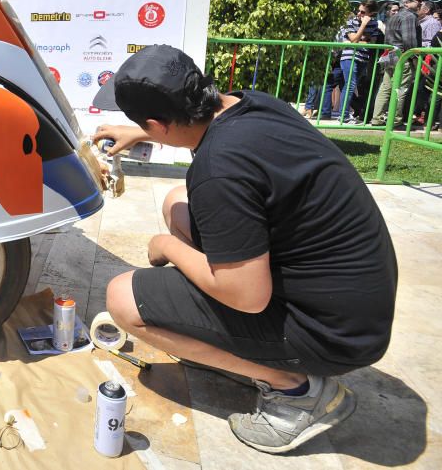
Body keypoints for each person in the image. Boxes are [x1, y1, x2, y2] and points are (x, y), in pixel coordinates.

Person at [92, 45, 397, 454]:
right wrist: (141, 132)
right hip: (355, 303)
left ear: (158, 123)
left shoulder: (220, 168)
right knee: (177, 201)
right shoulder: (253, 105)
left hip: (333, 335)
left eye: (145, 125)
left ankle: (297, 391)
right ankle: (221, 339)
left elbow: (248, 297)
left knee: (124, 299)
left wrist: (165, 245)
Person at [371, 0, 424, 126]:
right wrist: (415, 58)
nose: (421, 3)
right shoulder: (409, 17)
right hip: (403, 58)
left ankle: (377, 118)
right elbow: (409, 42)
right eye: (417, 0)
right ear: (407, 3)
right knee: (400, 89)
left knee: (386, 88)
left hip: (390, 56)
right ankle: (395, 120)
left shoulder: (393, 17)